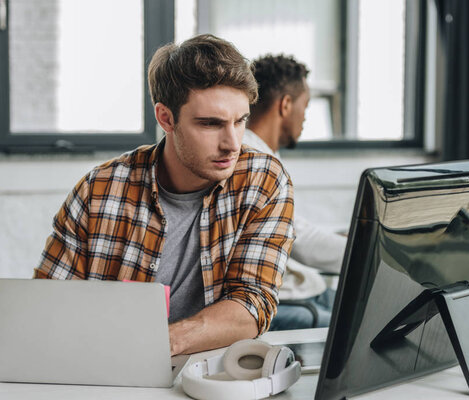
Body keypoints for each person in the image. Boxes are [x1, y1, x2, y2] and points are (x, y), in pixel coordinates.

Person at [33, 35, 295, 355]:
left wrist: (159, 343)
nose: (232, 143)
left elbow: (252, 304)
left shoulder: (263, 181)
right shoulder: (98, 191)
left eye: (239, 121)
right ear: (165, 118)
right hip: (107, 369)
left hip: (209, 374)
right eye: (211, 124)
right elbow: (47, 309)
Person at [244, 54, 347, 330]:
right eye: (306, 106)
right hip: (285, 302)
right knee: (369, 331)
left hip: (304, 290)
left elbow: (291, 225)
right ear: (286, 104)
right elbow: (297, 240)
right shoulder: (252, 159)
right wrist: (367, 251)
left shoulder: (264, 153)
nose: (305, 118)